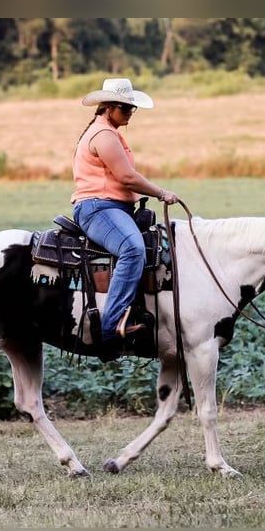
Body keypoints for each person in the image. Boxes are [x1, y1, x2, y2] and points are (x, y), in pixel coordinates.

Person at [71, 78, 179, 347]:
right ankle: (111, 326)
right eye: (125, 108)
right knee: (133, 249)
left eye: (132, 109)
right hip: (98, 208)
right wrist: (161, 193)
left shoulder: (110, 133)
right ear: (108, 107)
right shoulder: (104, 136)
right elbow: (127, 177)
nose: (130, 114)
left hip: (113, 207)